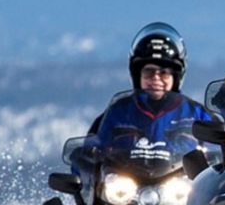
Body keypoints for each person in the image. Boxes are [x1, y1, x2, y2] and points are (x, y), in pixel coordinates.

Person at [87, 22, 213, 152]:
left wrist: (214, 158)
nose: (156, 79)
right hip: (125, 172)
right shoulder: (117, 113)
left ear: (175, 77)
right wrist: (85, 158)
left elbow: (217, 149)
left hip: (185, 172)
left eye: (164, 73)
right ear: (137, 75)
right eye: (149, 72)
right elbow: (91, 149)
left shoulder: (196, 114)